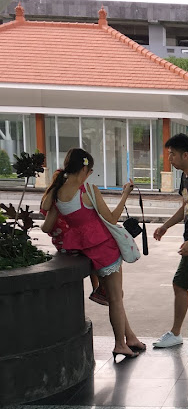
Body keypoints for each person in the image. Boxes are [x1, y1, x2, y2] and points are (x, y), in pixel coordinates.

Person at [41, 148, 145, 360]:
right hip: (104, 247)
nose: (90, 174)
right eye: (90, 170)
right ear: (84, 168)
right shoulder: (88, 190)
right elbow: (112, 219)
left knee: (116, 296)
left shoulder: (58, 194)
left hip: (86, 251)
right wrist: (125, 194)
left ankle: (131, 337)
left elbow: (46, 227)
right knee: (116, 299)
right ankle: (120, 344)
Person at [152, 134, 188, 348]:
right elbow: (186, 207)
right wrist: (165, 226)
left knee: (180, 283)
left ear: (185, 155)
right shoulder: (186, 177)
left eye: (172, 154)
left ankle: (177, 332)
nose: (169, 159)